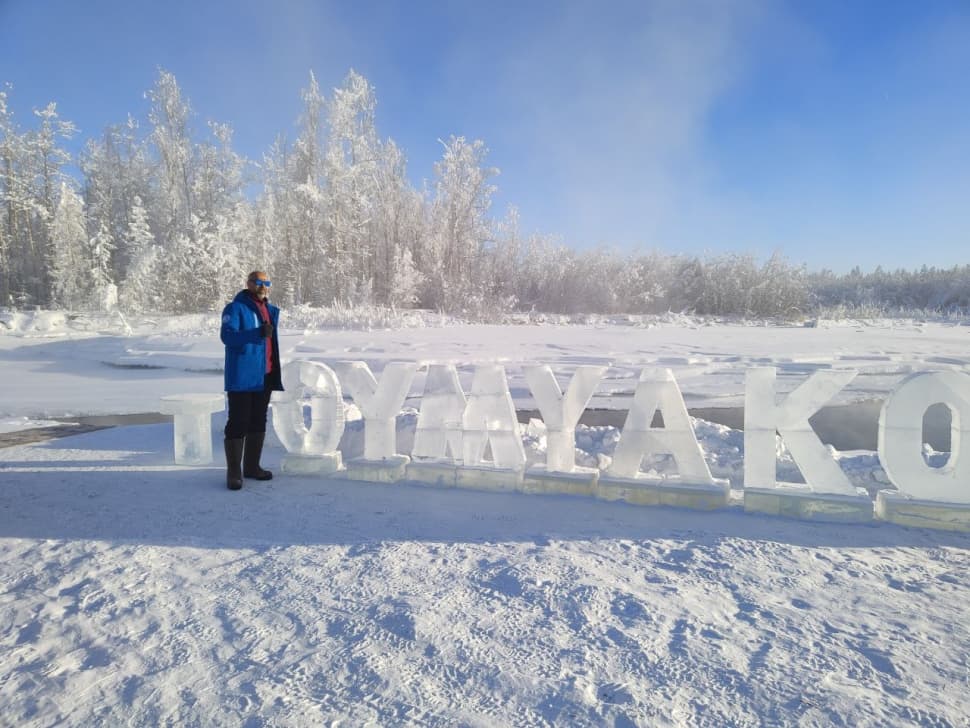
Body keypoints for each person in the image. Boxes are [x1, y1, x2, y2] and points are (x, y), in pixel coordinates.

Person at [220, 271, 284, 490]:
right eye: (258, 282)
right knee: (238, 421)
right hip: (242, 376)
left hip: (264, 375)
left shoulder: (268, 309)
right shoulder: (235, 308)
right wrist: (255, 333)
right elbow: (227, 337)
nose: (263, 286)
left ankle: (252, 467)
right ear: (248, 284)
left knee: (258, 420)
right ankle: (234, 473)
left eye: (267, 282)